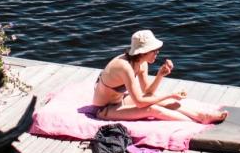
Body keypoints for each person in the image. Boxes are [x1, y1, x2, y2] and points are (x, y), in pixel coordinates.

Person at [93, 29, 227, 123]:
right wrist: (170, 95)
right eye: (154, 50)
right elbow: (140, 103)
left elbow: (148, 92)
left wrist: (160, 74)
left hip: (119, 100)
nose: (157, 53)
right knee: (152, 108)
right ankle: (196, 121)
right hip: (104, 109)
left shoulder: (141, 63)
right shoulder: (125, 67)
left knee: (157, 99)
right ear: (144, 52)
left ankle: (201, 115)